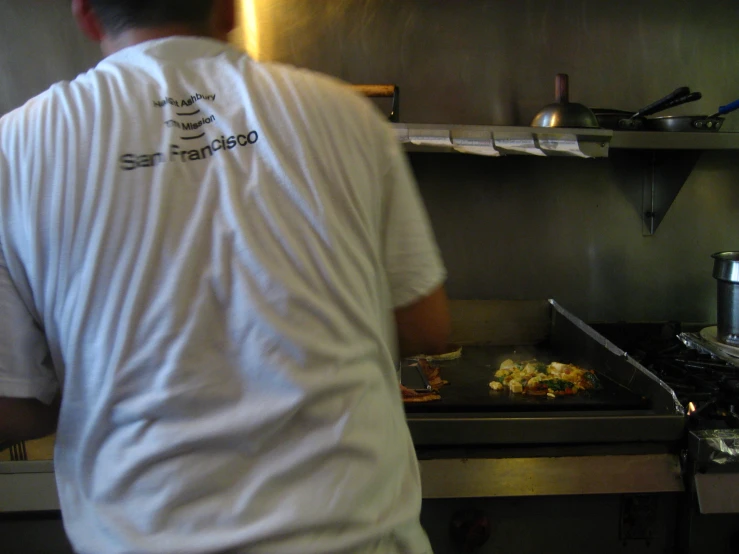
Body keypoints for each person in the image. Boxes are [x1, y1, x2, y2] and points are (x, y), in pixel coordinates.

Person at [0, 0, 450, 552]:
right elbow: (428, 328)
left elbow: (10, 405)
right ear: (229, 10)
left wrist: (100, 372)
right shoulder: (346, 114)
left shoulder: (14, 148)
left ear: (87, 16)